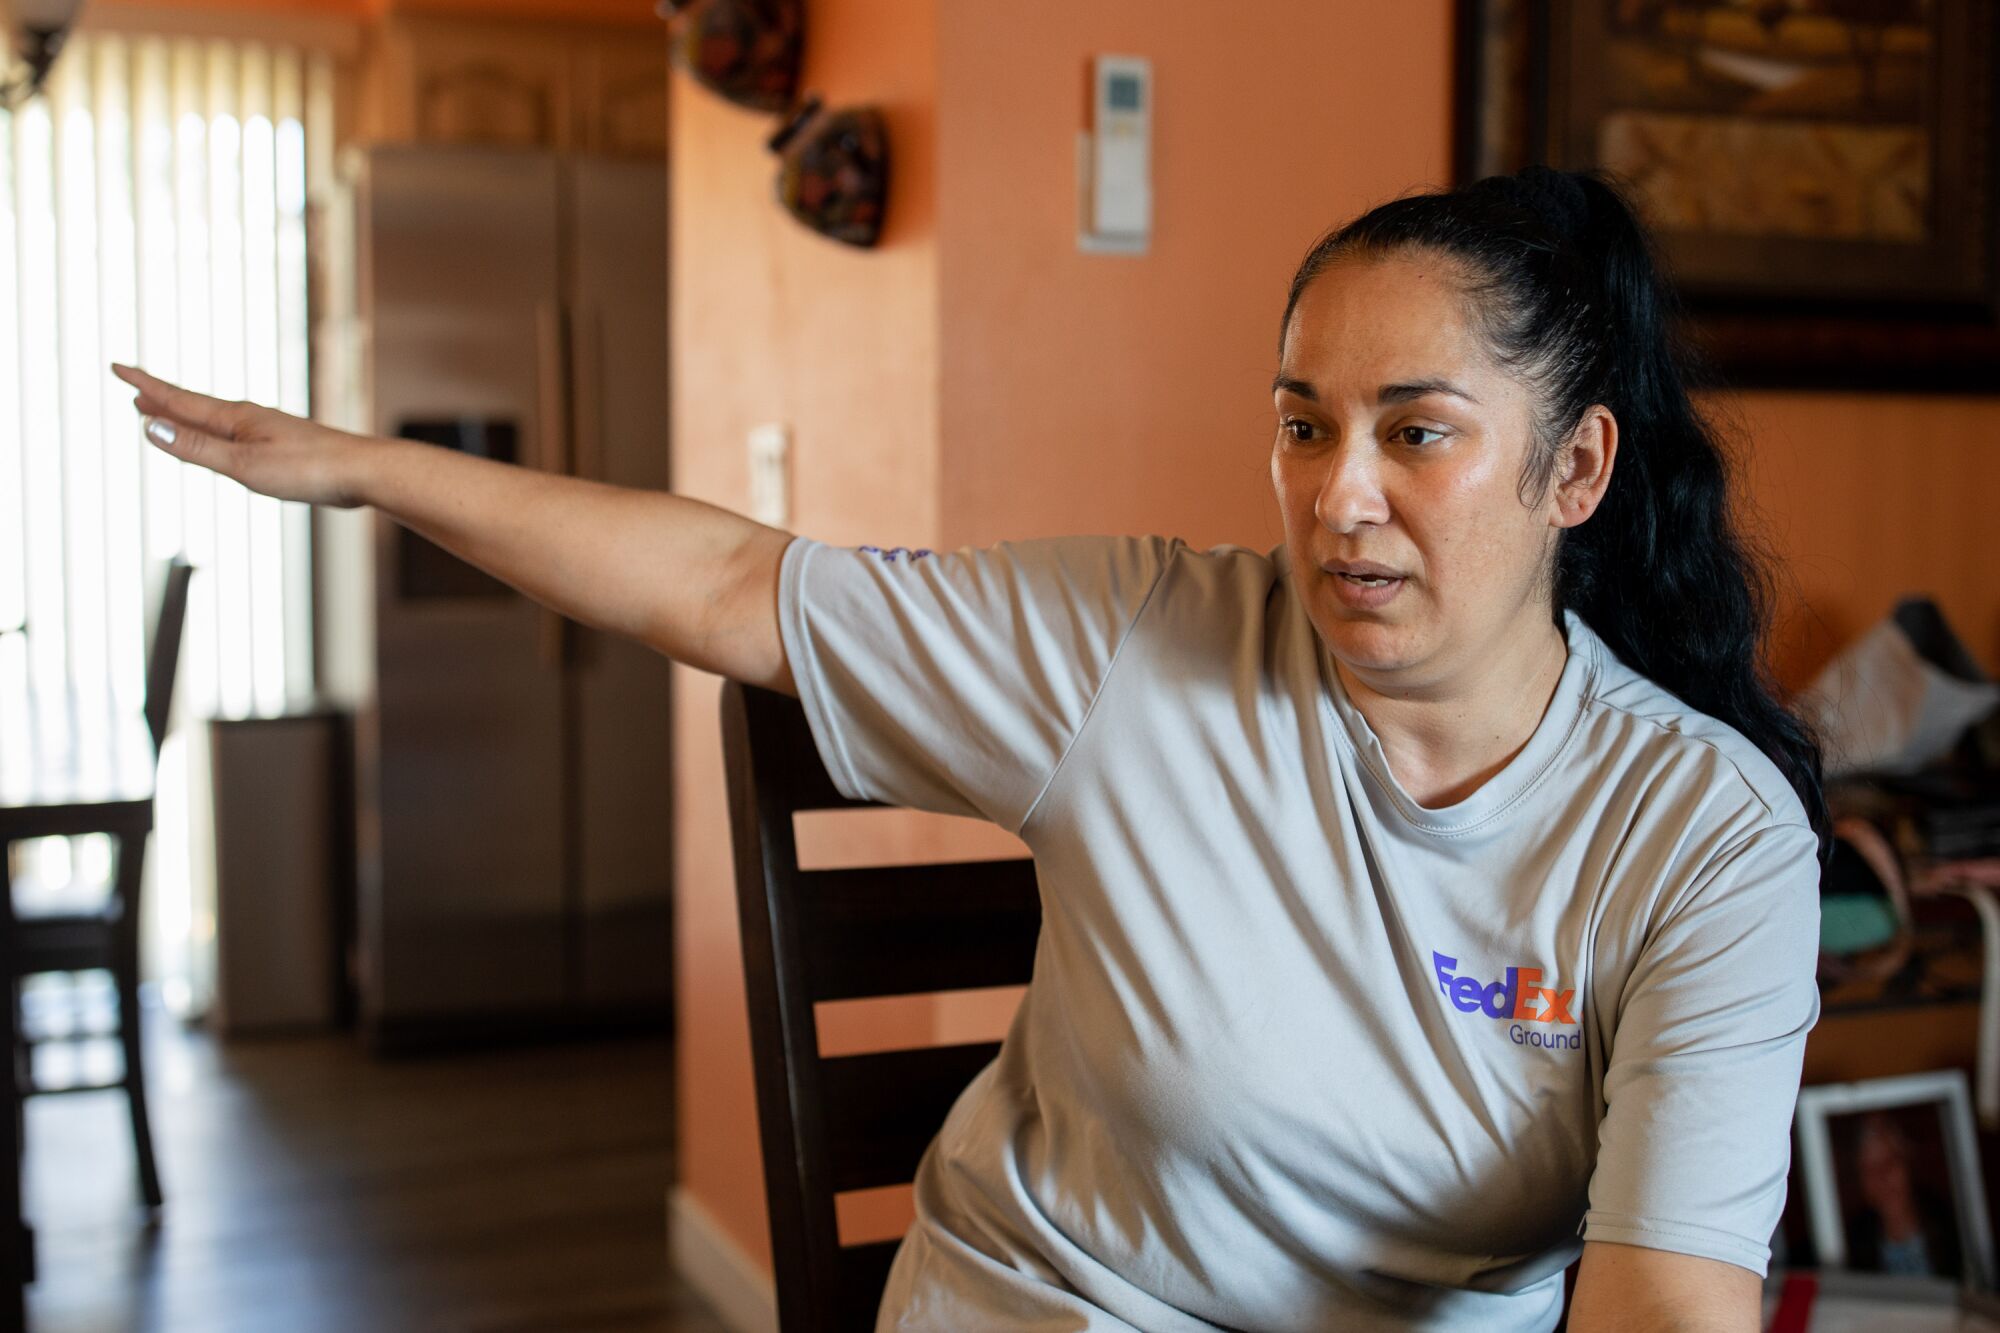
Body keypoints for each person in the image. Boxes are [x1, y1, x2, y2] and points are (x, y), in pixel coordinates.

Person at [112, 162, 1827, 1332]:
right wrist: (365, 467)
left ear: (1577, 471)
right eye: (1301, 424)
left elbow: (1664, 1296)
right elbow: (730, 583)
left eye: (1417, 432)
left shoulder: (1707, 838)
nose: (1339, 494)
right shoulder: (1132, 645)